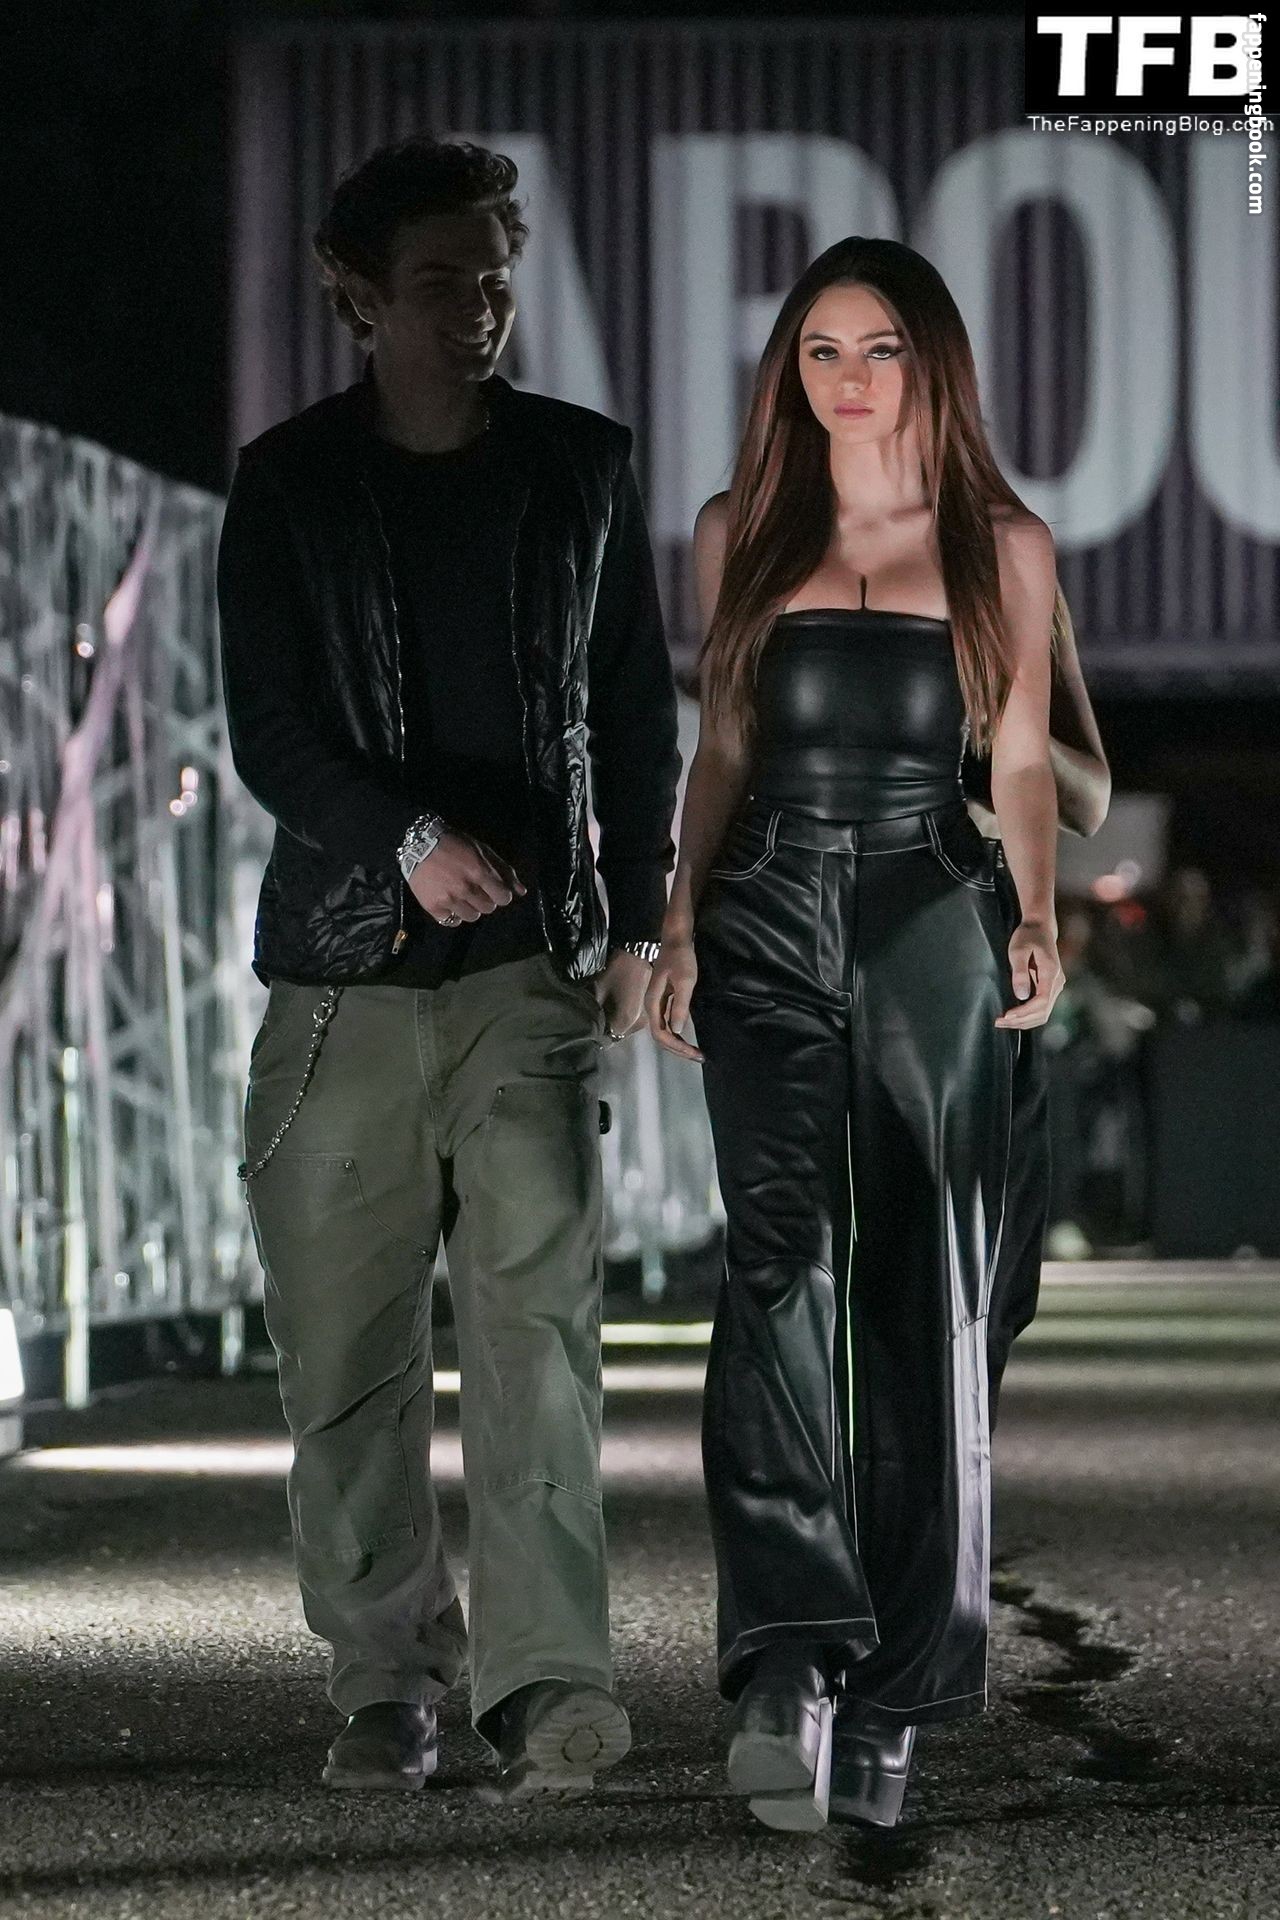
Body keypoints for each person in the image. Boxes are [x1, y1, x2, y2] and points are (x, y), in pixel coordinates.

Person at [217, 136, 679, 1799]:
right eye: (439, 282)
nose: (478, 308)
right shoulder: (289, 484)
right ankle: (386, 1682)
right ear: (356, 293)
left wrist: (642, 917)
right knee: (345, 1354)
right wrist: (402, 837)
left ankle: (549, 1682)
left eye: (495, 277)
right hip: (340, 978)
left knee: (540, 1329)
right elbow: (269, 729)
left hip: (528, 969)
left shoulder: (581, 470)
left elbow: (635, 709)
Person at [646, 235, 1068, 1833]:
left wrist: (1037, 913)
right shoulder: (738, 531)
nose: (849, 378)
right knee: (775, 1258)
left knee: (922, 1292)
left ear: (929, 362)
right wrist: (679, 920)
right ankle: (787, 1658)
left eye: (879, 347)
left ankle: (895, 1697)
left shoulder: (1002, 545)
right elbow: (720, 745)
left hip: (929, 906)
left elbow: (1018, 758)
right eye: (821, 350)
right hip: (762, 902)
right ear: (790, 373)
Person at [961, 597, 1110, 1417]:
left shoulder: (1022, 584)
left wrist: (1008, 723)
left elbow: (1090, 799)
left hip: (995, 926)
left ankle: (963, 1470)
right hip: (859, 916)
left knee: (1005, 1246)